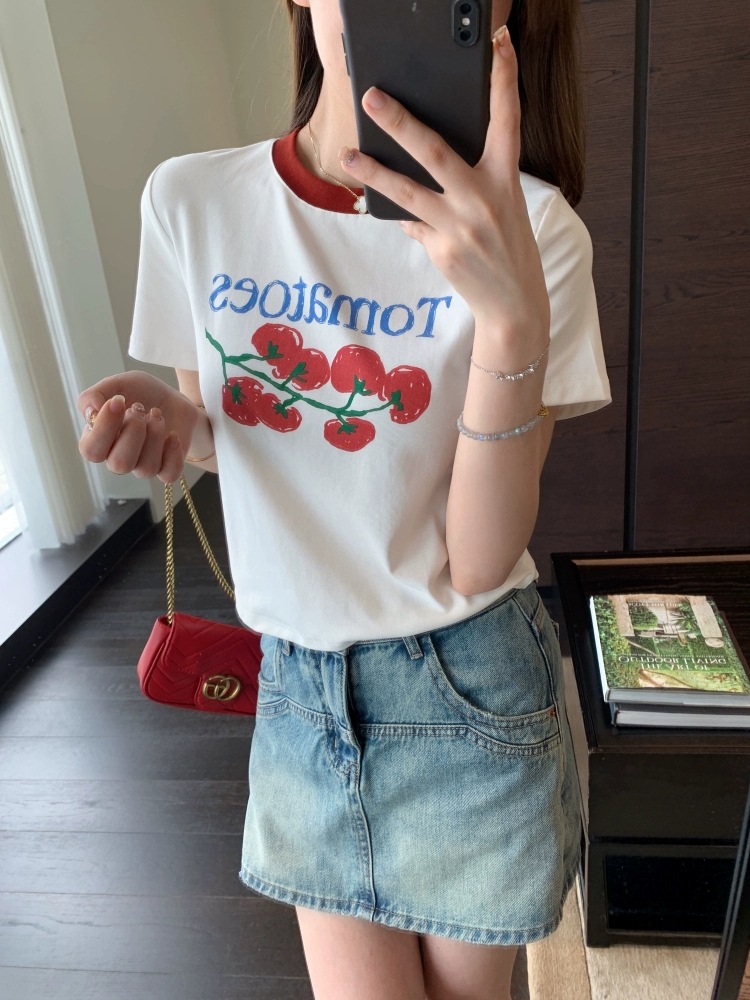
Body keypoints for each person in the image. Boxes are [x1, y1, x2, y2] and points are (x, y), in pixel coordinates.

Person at [78, 1, 610, 997]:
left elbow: (479, 559)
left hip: (469, 691)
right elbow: (223, 430)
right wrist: (171, 422)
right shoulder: (193, 200)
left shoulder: (538, 234)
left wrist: (509, 323)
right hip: (297, 693)